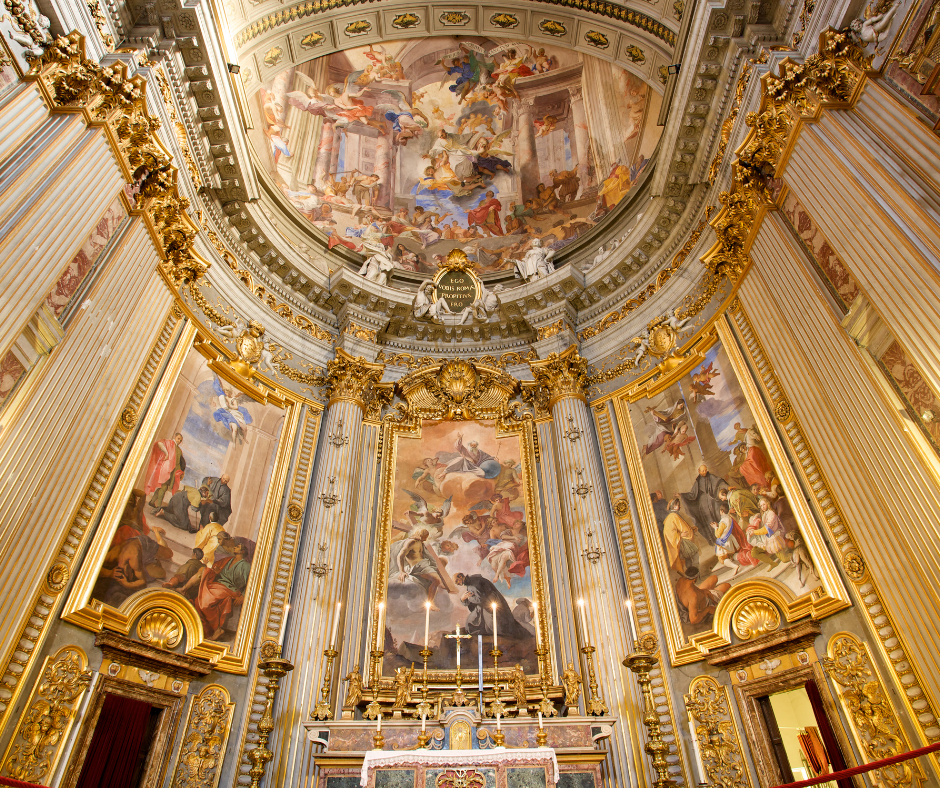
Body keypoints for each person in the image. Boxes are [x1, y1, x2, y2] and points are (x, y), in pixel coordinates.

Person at [194, 538, 252, 640]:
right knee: (198, 601)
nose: (234, 547)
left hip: (231, 589)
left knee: (205, 603)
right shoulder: (229, 560)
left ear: (242, 552)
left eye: (237, 547)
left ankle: (217, 629)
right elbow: (220, 572)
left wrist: (243, 596)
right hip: (219, 585)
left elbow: (250, 582)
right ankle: (204, 629)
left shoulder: (246, 566)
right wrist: (217, 572)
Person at [454, 572, 530, 639]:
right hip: (484, 607)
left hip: (491, 606)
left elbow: (480, 599)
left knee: (496, 628)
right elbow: (475, 601)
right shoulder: (470, 583)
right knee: (471, 623)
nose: (457, 583)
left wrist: (467, 598)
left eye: (457, 581)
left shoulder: (474, 582)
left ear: (460, 576)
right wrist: (463, 600)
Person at [681, 465, 728, 545]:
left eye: (705, 470)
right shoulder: (698, 481)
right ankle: (714, 540)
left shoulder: (711, 477)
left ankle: (724, 536)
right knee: (709, 521)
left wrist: (727, 487)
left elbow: (719, 482)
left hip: (713, 503)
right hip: (703, 506)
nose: (704, 472)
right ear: (699, 471)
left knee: (717, 517)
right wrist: (682, 495)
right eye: (702, 471)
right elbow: (692, 494)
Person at [145, 432, 185, 508]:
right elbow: (159, 444)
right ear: (175, 437)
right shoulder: (169, 443)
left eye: (181, 440)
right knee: (163, 487)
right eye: (178, 439)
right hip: (167, 469)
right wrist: (166, 453)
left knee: (163, 487)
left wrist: (180, 473)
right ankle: (159, 506)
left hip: (173, 472)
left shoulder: (179, 450)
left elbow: (180, 462)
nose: (179, 441)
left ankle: (152, 501)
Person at [662, 496, 699, 572]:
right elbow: (671, 532)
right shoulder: (673, 516)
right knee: (694, 555)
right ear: (674, 506)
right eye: (678, 505)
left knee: (688, 558)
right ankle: (694, 572)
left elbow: (682, 527)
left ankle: (691, 573)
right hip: (681, 541)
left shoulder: (673, 516)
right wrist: (680, 535)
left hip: (680, 541)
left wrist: (691, 529)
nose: (680, 506)